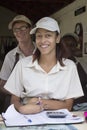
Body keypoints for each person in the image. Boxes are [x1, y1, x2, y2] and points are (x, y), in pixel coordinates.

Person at [4, 17, 84, 114]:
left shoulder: (69, 67)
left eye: (48, 35)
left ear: (57, 38)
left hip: (58, 118)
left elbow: (68, 105)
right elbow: (14, 99)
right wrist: (21, 108)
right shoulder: (23, 65)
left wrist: (36, 102)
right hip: (28, 116)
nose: (43, 41)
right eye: (39, 36)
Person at [0, 15, 35, 113]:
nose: (19, 31)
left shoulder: (42, 52)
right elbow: (2, 85)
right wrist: (21, 93)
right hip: (16, 103)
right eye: (15, 29)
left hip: (38, 101)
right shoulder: (10, 56)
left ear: (30, 29)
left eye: (23, 27)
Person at [61, 33, 87, 110]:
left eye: (72, 45)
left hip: (83, 104)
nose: (69, 47)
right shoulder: (55, 63)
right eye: (66, 44)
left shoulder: (82, 62)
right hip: (64, 105)